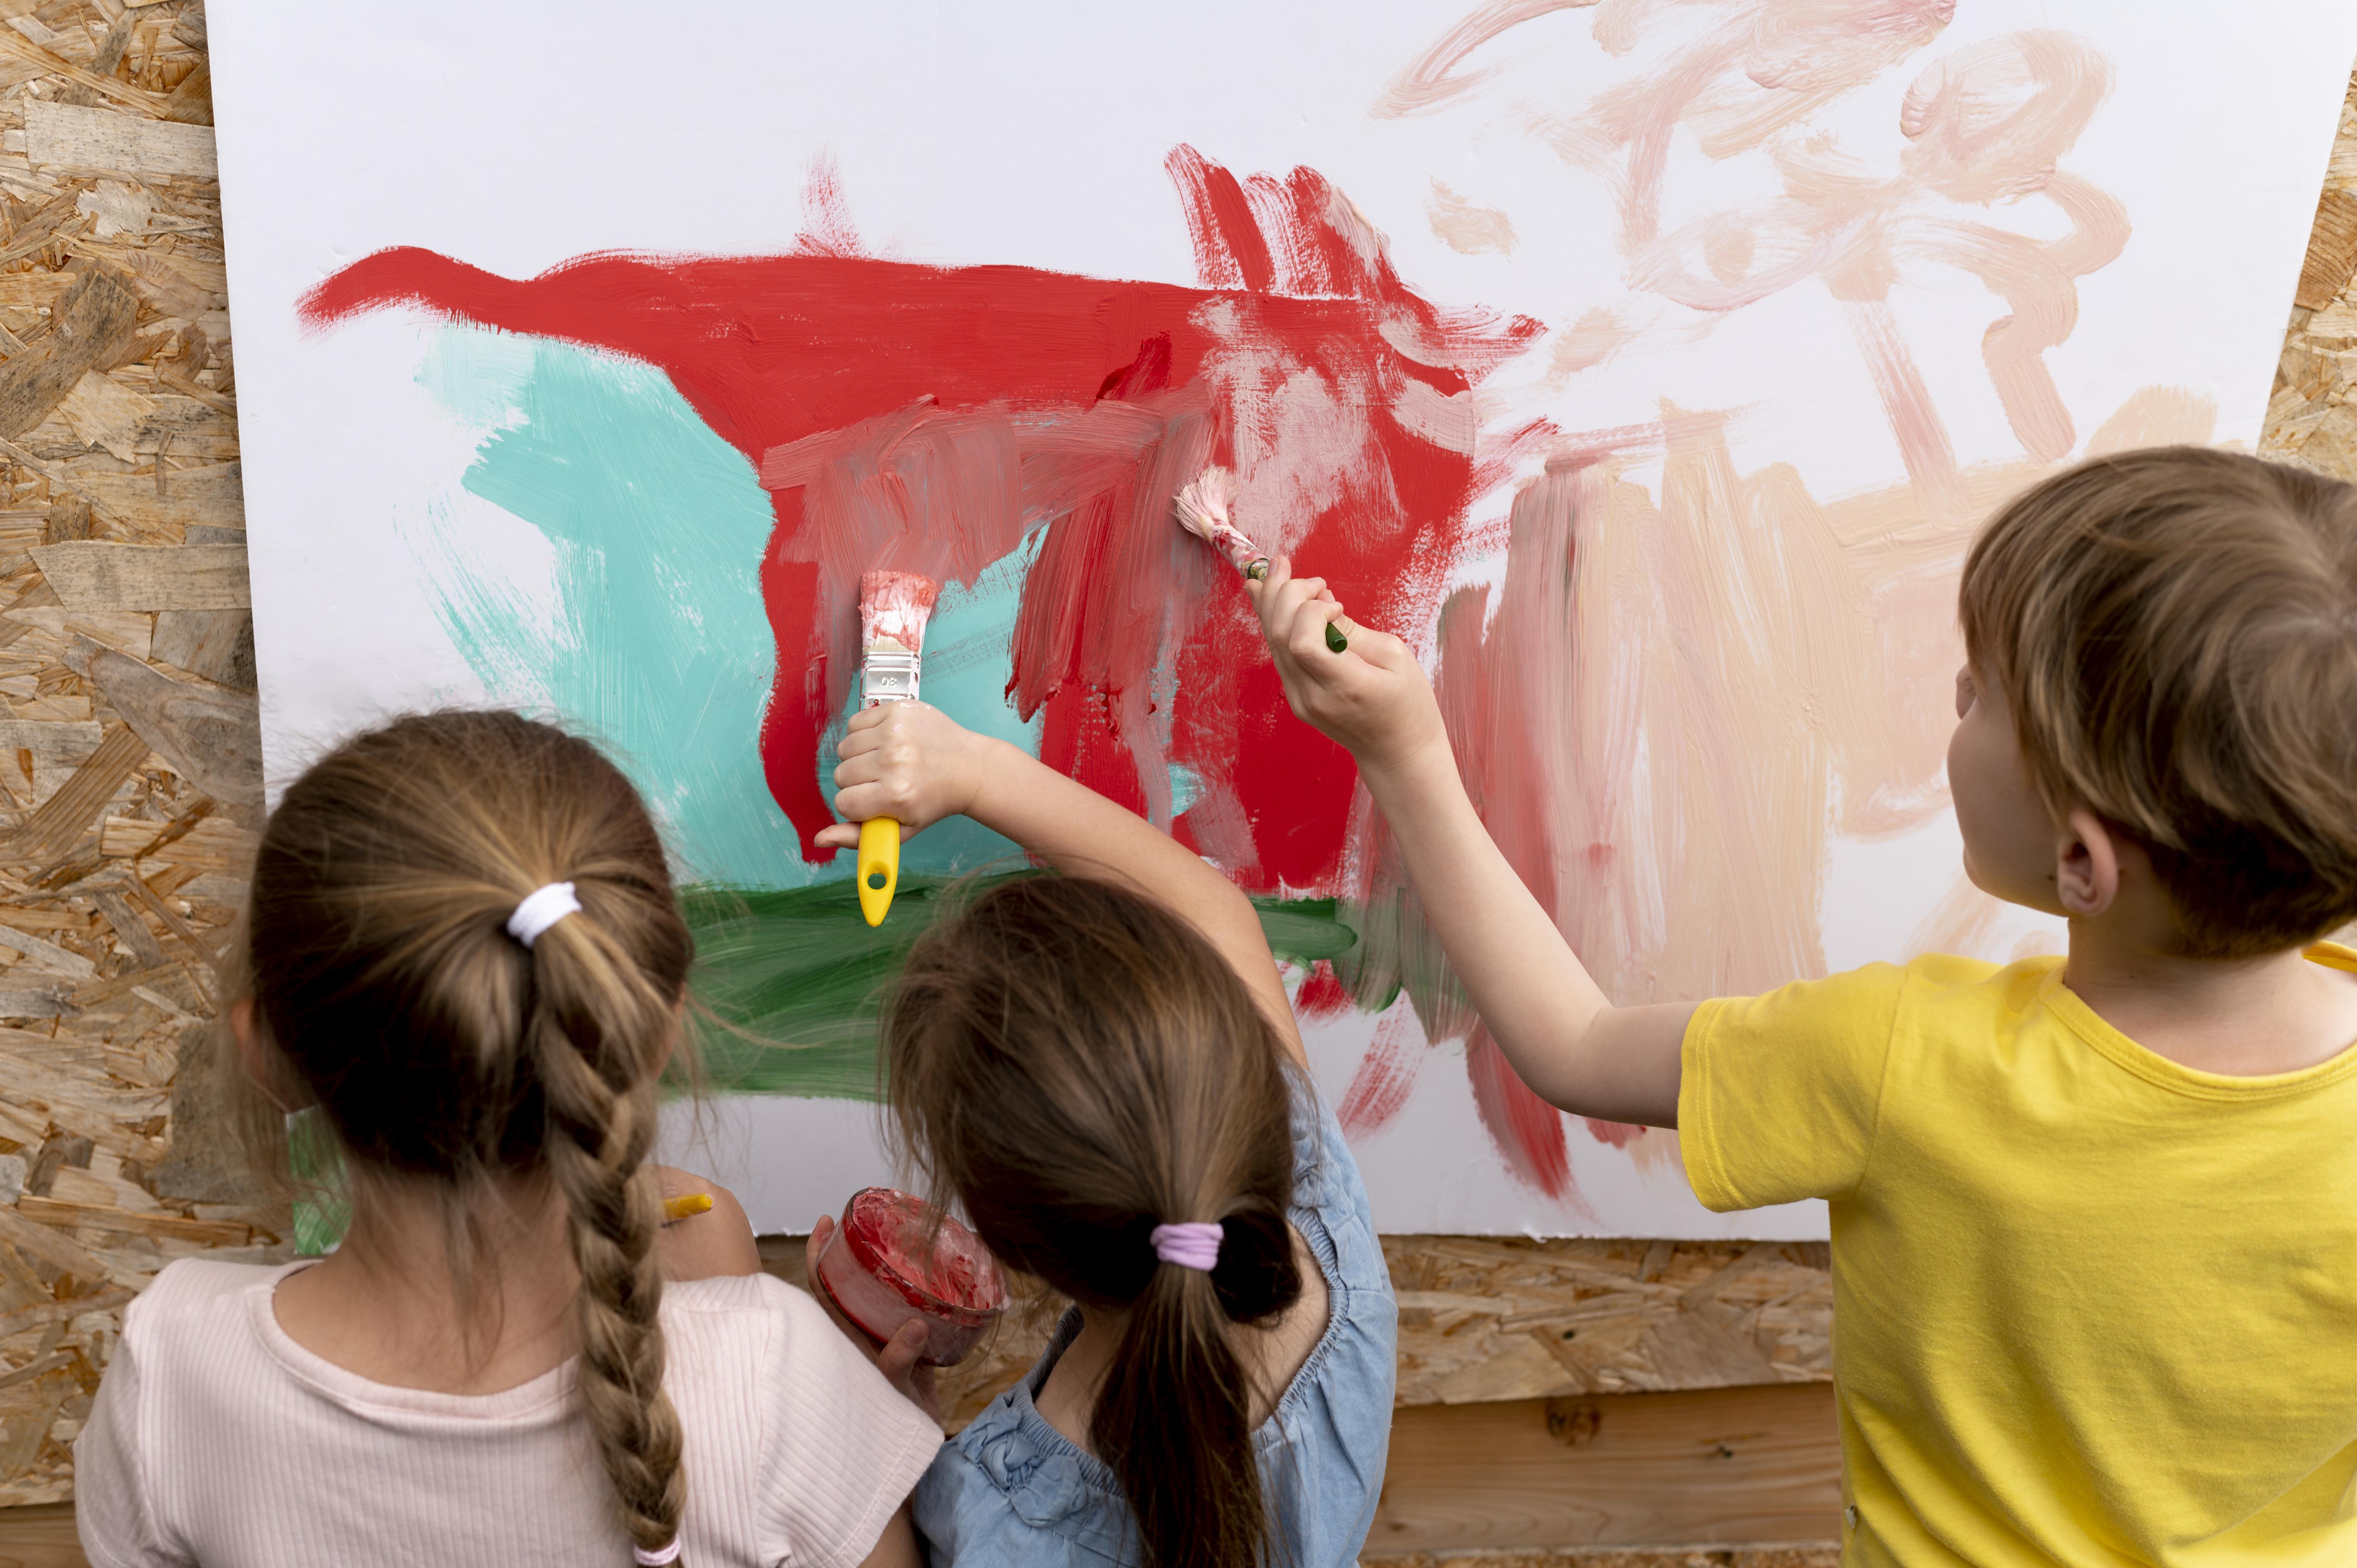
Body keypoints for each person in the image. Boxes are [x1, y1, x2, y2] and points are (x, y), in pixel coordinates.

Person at [1248, 446, 2357, 1566]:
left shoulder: (1905, 1060)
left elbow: (1576, 1047)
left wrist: (1409, 753)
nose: (1960, 692)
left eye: (1991, 698)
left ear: (2083, 862)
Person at [77, 710, 939, 1568]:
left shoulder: (171, 1373)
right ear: (653, 1030)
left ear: (266, 1054)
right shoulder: (781, 1376)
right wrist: (846, 1441)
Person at [815, 700, 1396, 1568]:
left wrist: (875, 1449)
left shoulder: (997, 1521)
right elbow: (1217, 913)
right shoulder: (1329, 1234)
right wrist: (976, 769)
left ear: (1015, 1250)